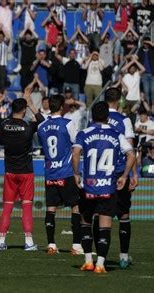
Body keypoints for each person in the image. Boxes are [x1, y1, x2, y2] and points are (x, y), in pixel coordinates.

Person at [72, 101, 135, 274]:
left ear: (92, 116)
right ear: (108, 117)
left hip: (89, 186)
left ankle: (87, 261)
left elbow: (75, 153)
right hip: (108, 186)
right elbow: (131, 154)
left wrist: (76, 173)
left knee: (85, 221)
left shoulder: (84, 133)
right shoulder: (116, 134)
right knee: (105, 224)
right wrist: (124, 176)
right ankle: (100, 264)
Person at [0, 88, 45, 251]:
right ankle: (29, 242)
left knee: (7, 206)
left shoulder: (4, 125)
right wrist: (32, 105)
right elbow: (42, 122)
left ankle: (1, 242)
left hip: (9, 171)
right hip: (26, 171)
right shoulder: (28, 127)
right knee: (26, 206)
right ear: (24, 110)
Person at [37, 94, 83, 255]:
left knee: (51, 208)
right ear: (62, 106)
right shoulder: (69, 124)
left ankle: (51, 245)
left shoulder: (41, 126)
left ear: (49, 106)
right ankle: (77, 246)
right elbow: (77, 145)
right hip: (66, 172)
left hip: (50, 172)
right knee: (76, 207)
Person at [103, 87, 139, 268]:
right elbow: (130, 149)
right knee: (123, 214)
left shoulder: (96, 118)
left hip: (100, 174)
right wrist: (133, 173)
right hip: (119, 173)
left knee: (100, 213)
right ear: (119, 101)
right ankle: (124, 256)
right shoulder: (124, 120)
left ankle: (98, 254)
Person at [121, 55, 146, 119]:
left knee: (133, 114)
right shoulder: (125, 75)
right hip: (126, 98)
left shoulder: (137, 74)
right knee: (126, 115)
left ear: (135, 68)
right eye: (130, 68)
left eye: (133, 68)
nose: (132, 69)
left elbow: (143, 69)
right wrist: (132, 61)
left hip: (136, 99)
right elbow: (122, 69)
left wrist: (135, 61)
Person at [138, 37, 154, 111]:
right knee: (147, 91)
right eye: (144, 43)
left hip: (152, 74)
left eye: (147, 43)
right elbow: (136, 58)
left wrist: (150, 42)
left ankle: (153, 106)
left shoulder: (152, 50)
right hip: (144, 74)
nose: (146, 44)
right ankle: (148, 107)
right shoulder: (140, 51)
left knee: (153, 91)